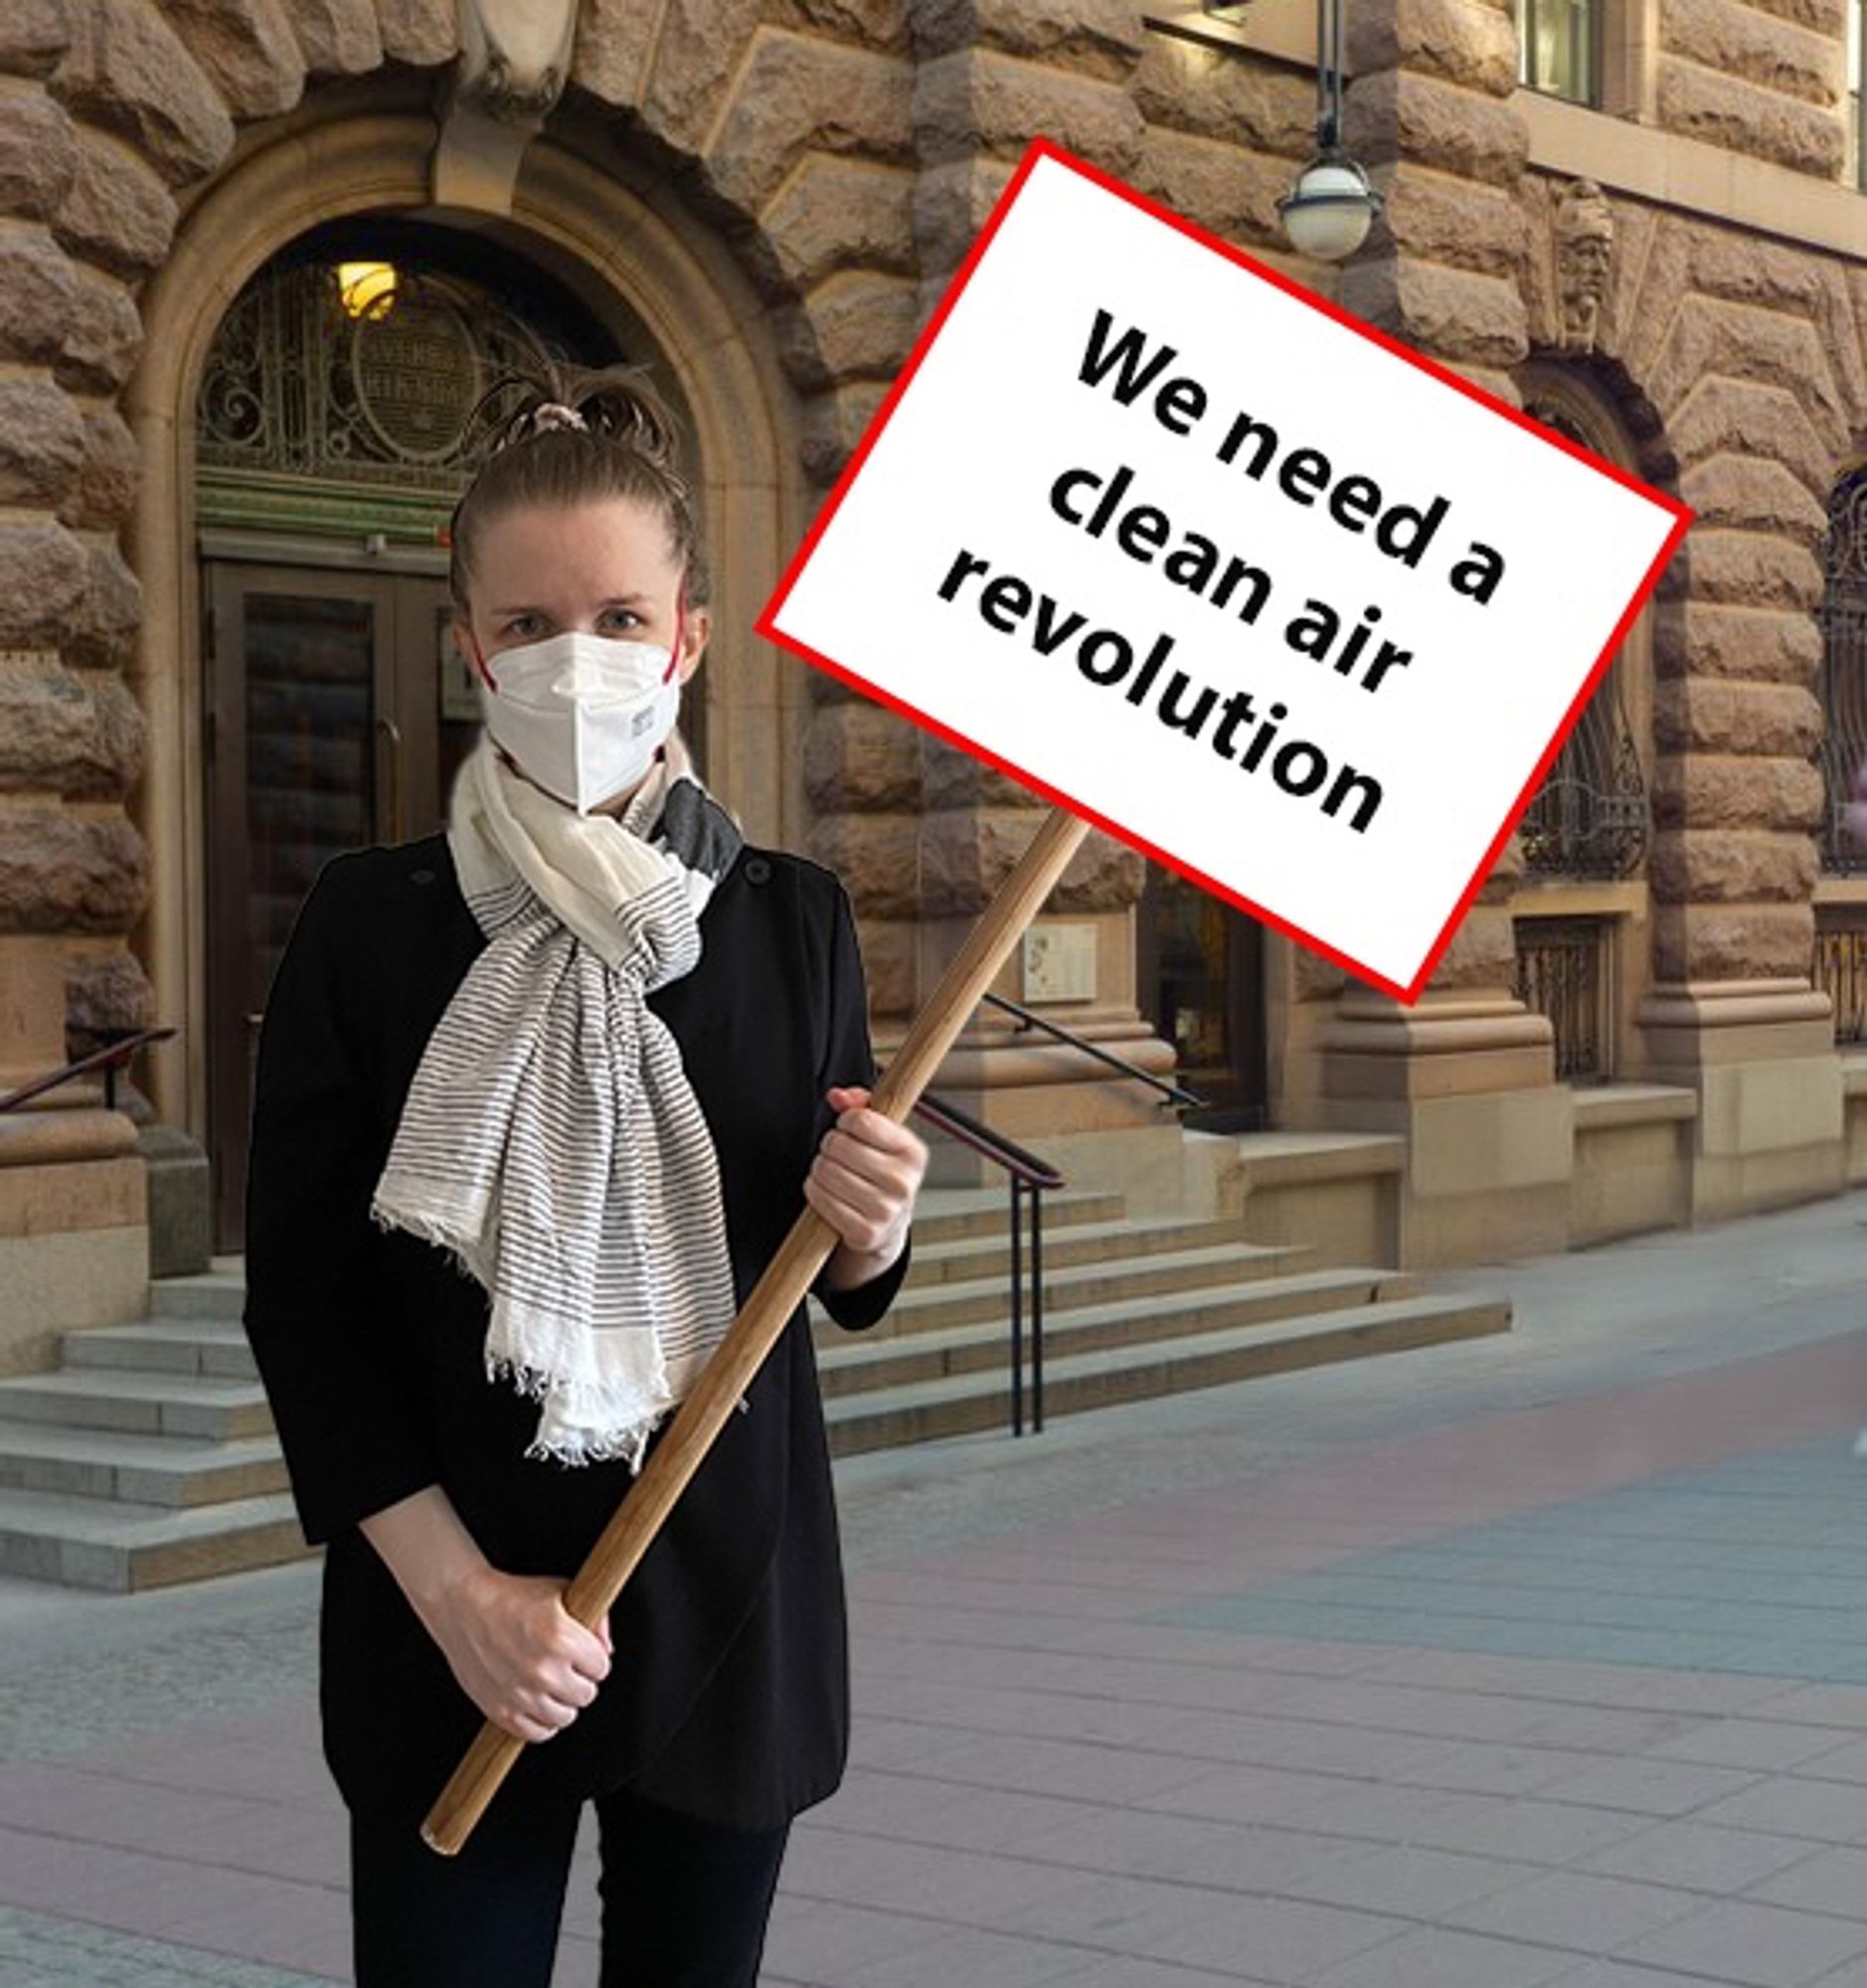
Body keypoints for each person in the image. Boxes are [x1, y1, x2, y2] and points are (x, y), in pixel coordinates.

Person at [241, 362, 928, 1987]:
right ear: (470, 645)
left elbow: (831, 1280)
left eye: (621, 618)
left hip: (726, 1608)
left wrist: (874, 1227)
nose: (580, 659)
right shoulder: (370, 919)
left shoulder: (790, 915)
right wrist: (463, 1597)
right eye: (535, 624)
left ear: (689, 635)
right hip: (455, 1628)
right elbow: (308, 1308)